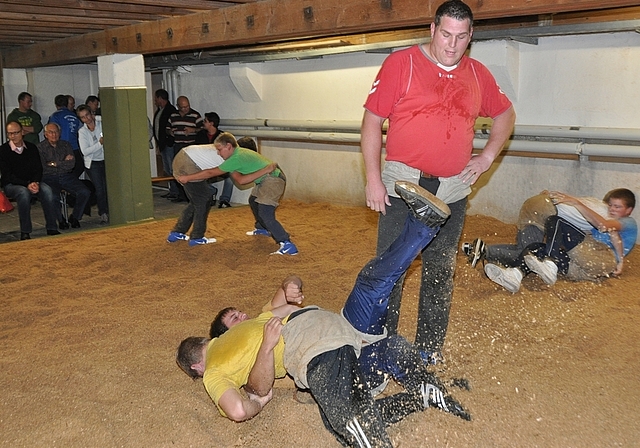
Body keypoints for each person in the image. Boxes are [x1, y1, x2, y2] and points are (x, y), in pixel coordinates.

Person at [177, 182, 469, 447]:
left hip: (346, 327)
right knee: (352, 414)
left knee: (371, 281)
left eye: (239, 313)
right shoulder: (215, 370)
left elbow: (289, 280)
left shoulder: (263, 317)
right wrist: (259, 398)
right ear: (199, 363)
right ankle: (417, 398)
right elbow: (240, 408)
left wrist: (293, 284)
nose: (242, 316)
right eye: (234, 320)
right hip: (321, 348)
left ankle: (423, 224)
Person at [360, 0, 516, 363]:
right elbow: (371, 123)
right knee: (391, 268)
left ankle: (428, 350)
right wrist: (372, 178)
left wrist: (487, 156)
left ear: (471, 36)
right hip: (403, 185)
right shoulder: (402, 64)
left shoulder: (478, 74)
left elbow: (505, 114)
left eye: (461, 37)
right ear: (432, 30)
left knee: (440, 271)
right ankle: (382, 345)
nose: (452, 44)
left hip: (452, 189)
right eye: (446, 34)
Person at [483, 189, 637, 293]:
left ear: (628, 210)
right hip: (581, 270)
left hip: (601, 259)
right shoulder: (602, 225)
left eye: (617, 206)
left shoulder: (627, 221)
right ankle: (515, 275)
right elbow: (605, 234)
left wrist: (621, 261)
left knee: (555, 221)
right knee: (537, 248)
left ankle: (549, 263)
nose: (612, 209)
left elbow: (609, 229)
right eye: (610, 205)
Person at [175, 132, 298, 256]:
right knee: (253, 200)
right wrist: (264, 170)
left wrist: (188, 178)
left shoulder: (236, 158)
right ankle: (262, 228)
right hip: (266, 178)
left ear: (229, 146)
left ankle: (286, 243)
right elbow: (240, 180)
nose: (218, 153)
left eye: (219, 149)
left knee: (265, 213)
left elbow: (212, 173)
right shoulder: (235, 156)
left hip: (273, 179)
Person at [462, 191, 611, 268]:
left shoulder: (595, 201)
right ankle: (485, 252)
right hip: (546, 211)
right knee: (527, 255)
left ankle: (477, 248)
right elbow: (602, 225)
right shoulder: (607, 212)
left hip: (536, 202)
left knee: (524, 248)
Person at [0, 122, 60, 240]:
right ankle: (25, 231)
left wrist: (35, 182)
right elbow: (7, 175)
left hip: (32, 182)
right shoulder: (3, 150)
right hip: (12, 184)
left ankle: (52, 227)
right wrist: (27, 184)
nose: (13, 136)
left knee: (47, 190)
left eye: (15, 133)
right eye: (10, 134)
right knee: (23, 193)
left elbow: (38, 168)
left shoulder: (32, 148)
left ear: (22, 132)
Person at [37, 123, 91, 229]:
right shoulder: (39, 148)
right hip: (49, 177)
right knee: (54, 197)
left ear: (60, 133)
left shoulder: (66, 145)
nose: (54, 134)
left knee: (85, 192)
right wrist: (63, 162)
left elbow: (71, 165)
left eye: (56, 132)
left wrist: (54, 163)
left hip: (67, 176)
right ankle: (61, 220)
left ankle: (75, 217)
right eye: (51, 132)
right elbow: (43, 167)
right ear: (45, 134)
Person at [166, 96, 203, 203]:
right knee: (178, 170)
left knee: (190, 170)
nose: (186, 109)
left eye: (187, 106)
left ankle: (191, 196)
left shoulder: (195, 115)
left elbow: (203, 129)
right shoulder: (173, 116)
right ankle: (181, 195)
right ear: (178, 106)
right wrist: (170, 132)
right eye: (183, 107)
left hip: (190, 146)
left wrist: (193, 130)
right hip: (177, 146)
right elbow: (167, 128)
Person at [194, 112, 234, 208]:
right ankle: (211, 191)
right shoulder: (200, 135)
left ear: (211, 123)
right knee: (195, 177)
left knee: (231, 176)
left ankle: (224, 199)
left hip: (220, 164)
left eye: (205, 121)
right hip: (205, 164)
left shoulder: (223, 136)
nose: (203, 123)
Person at [77, 104, 109, 224]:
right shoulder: (82, 132)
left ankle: (111, 210)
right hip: (93, 163)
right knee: (100, 189)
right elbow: (85, 151)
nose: (87, 119)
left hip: (106, 159)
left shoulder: (101, 123)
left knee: (108, 187)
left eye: (87, 115)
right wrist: (100, 144)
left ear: (91, 113)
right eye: (83, 117)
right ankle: (103, 213)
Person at [152, 89, 178, 199]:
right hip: (162, 144)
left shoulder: (170, 110)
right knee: (167, 169)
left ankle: (176, 191)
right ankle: (172, 190)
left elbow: (170, 128)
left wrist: (168, 141)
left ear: (160, 98)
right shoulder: (159, 111)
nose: (155, 100)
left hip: (168, 145)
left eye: (156, 98)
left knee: (171, 168)